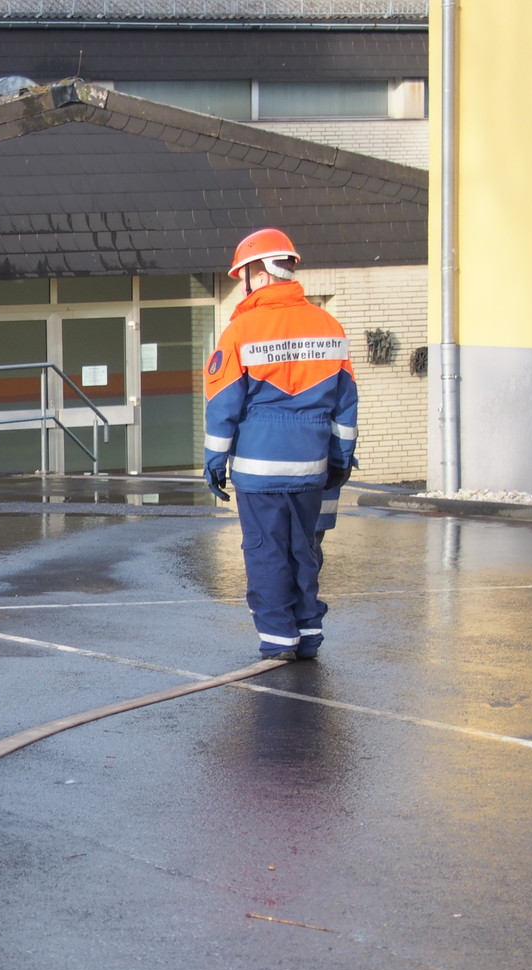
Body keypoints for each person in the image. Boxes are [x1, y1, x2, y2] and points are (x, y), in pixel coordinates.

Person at [203, 228, 357, 660]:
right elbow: (346, 403)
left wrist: (215, 461)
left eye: (243, 274)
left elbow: (223, 404)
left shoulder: (242, 331)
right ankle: (308, 633)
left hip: (259, 466)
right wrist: (341, 457)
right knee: (303, 549)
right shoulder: (328, 324)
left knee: (266, 551)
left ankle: (278, 638)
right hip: (312, 465)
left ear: (257, 272)